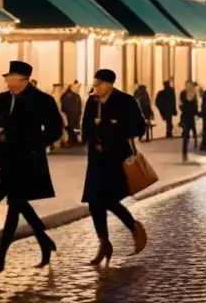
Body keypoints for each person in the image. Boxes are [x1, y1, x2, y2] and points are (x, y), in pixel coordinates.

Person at [0, 61, 63, 277]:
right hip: (9, 159)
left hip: (30, 159)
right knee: (18, 202)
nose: (6, 80)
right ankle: (44, 241)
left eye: (10, 76)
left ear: (23, 79)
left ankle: (0, 257)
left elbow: (55, 129)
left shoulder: (43, 100)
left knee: (15, 203)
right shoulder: (0, 100)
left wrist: (36, 143)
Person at [82, 68, 149, 266]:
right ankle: (104, 243)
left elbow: (138, 127)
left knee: (109, 199)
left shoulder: (125, 100)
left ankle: (134, 226)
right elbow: (85, 127)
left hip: (116, 157)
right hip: (96, 157)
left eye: (100, 84)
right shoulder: (92, 101)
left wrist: (113, 126)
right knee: (94, 201)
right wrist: (92, 135)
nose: (96, 88)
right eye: (94, 84)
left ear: (110, 84)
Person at [179, 81, 200, 162]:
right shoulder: (183, 93)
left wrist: (197, 113)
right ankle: (184, 155)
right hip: (185, 118)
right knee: (186, 136)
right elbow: (180, 105)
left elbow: (196, 106)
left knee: (194, 132)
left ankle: (195, 144)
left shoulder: (194, 94)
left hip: (191, 117)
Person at [60, 81, 83, 147]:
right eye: (77, 87)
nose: (78, 89)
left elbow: (79, 105)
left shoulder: (76, 95)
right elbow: (64, 105)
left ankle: (75, 138)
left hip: (76, 115)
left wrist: (79, 113)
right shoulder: (67, 95)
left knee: (76, 126)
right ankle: (70, 139)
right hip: (69, 115)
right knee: (71, 126)